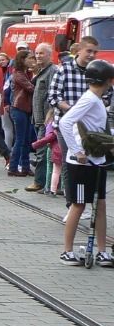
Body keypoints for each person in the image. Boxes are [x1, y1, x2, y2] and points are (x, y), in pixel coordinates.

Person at [57, 59, 114, 266]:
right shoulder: (90, 99)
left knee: (100, 205)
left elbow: (97, 128)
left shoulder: (96, 100)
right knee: (79, 205)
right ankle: (67, 251)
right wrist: (76, 150)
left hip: (96, 160)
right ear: (108, 80)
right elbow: (65, 122)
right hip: (81, 163)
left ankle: (102, 251)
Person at [48, 36, 101, 209]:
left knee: (91, 163)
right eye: (89, 51)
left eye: (95, 52)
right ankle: (72, 203)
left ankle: (88, 201)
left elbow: (107, 96)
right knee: (69, 163)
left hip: (89, 128)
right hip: (67, 125)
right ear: (79, 50)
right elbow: (53, 96)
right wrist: (72, 110)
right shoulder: (64, 69)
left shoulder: (97, 71)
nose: (92, 55)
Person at [27, 43, 57, 193]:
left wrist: (50, 115)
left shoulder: (52, 71)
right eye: (37, 53)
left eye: (41, 53)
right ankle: (46, 183)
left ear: (49, 55)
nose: (38, 56)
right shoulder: (41, 71)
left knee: (42, 151)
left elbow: (54, 94)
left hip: (46, 120)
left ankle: (39, 182)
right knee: (42, 151)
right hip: (38, 118)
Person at [8, 49, 35, 177]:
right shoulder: (18, 74)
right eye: (30, 58)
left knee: (25, 139)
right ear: (22, 60)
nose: (32, 60)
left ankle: (25, 166)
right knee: (20, 139)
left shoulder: (25, 73)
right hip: (19, 108)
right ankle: (13, 167)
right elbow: (31, 88)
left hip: (24, 109)